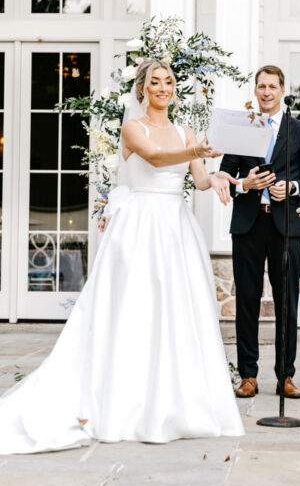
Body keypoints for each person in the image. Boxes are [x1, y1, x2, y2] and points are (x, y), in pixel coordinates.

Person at [0, 59, 244, 454]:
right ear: (143, 89)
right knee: (133, 309)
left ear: (174, 88)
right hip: (139, 227)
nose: (162, 87)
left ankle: (175, 404)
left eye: (168, 81)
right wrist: (195, 149)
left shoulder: (186, 130)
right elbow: (156, 159)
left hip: (175, 229)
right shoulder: (133, 128)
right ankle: (125, 403)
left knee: (175, 310)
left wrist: (218, 176)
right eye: (155, 82)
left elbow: (197, 178)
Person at [212, 65, 300, 400]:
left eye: (272, 86)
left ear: (282, 90)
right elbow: (224, 176)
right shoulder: (242, 128)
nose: (266, 92)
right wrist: (244, 184)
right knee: (246, 301)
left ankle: (285, 377)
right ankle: (248, 375)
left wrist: (291, 187)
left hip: (287, 226)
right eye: (261, 86)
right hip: (248, 225)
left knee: (286, 301)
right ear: (255, 90)